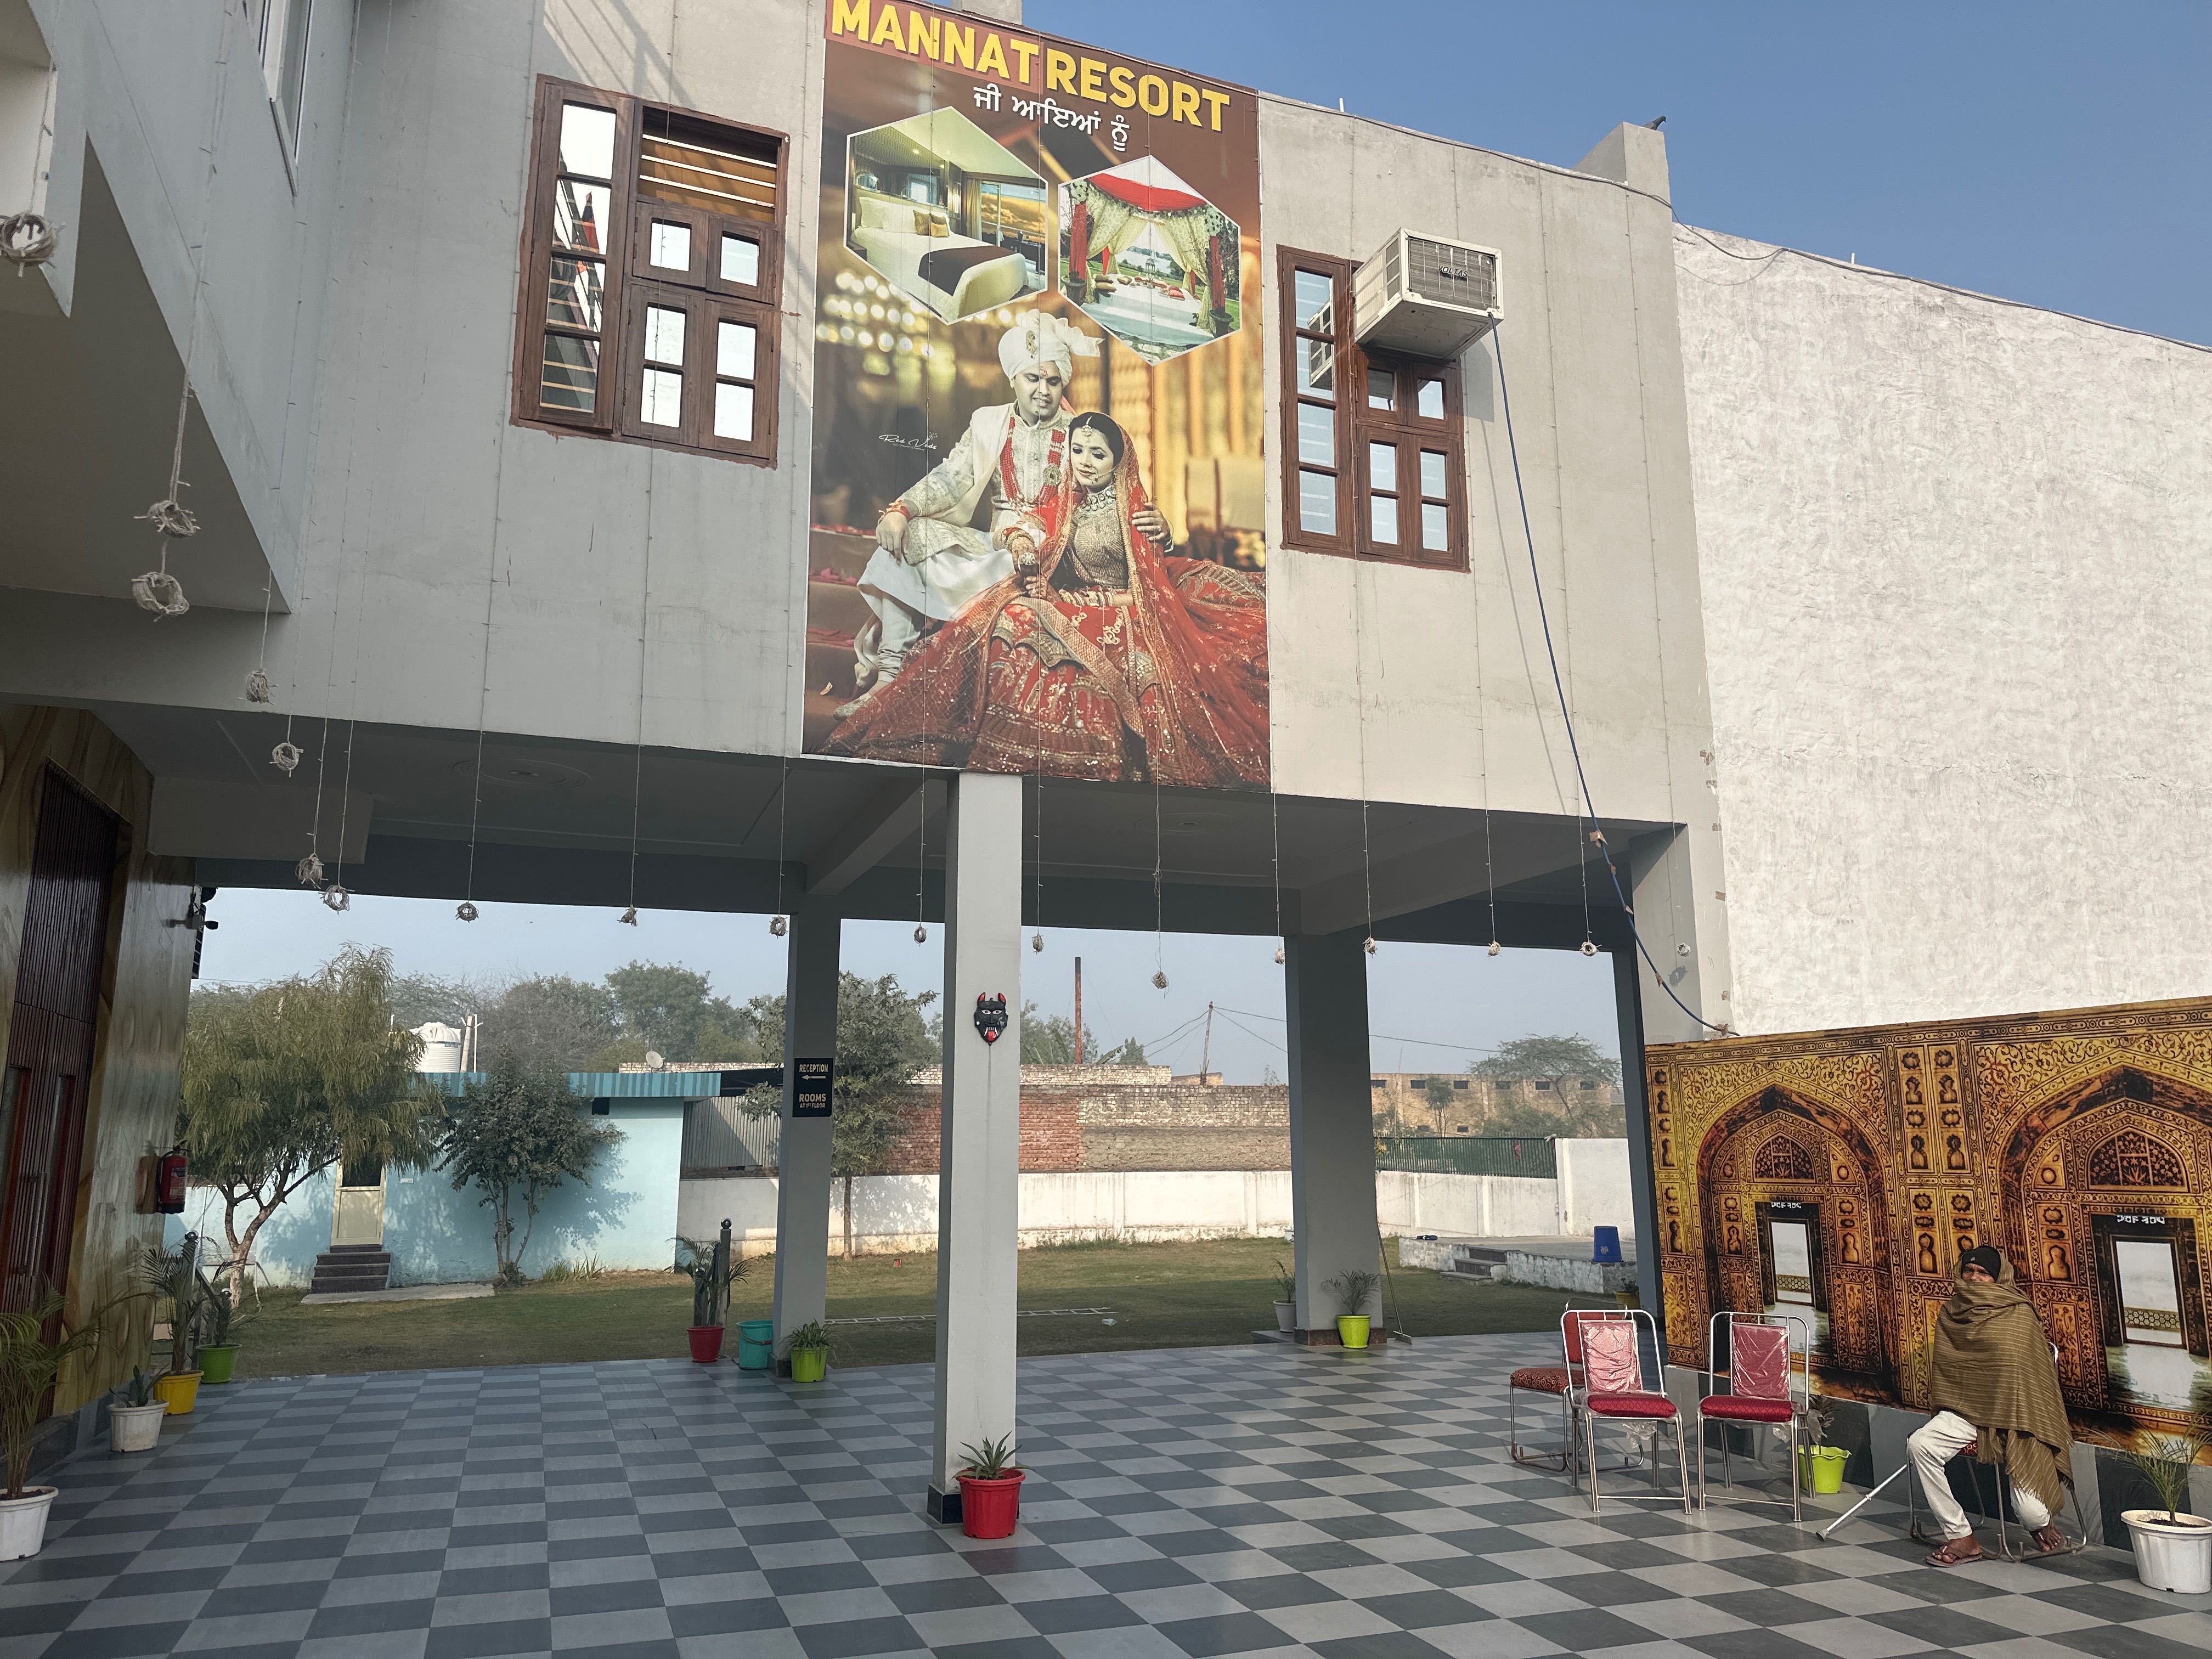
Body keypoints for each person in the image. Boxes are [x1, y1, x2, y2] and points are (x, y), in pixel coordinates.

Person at [823, 411, 1268, 785]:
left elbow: (1146, 594)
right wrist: (1019, 540)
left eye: (1098, 454)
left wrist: (1154, 547)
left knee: (1028, 622)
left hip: (1125, 612)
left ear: (1118, 461)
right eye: (1078, 451)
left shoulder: (1136, 513)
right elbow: (1033, 523)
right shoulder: (1069, 501)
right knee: (1006, 616)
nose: (1085, 462)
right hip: (1071, 602)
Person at [847, 311, 1153, 703]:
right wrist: (901, 511)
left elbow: (1114, 489)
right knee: (909, 539)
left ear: (1063, 383)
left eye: (1053, 381)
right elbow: (950, 478)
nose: (1043, 390)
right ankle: (889, 675)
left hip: (1047, 553)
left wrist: (1155, 521)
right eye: (1033, 378)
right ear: (1013, 378)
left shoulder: (1079, 432)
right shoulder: (989, 423)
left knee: (1017, 561)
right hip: (995, 544)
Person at [1911, 1245, 2070, 1565]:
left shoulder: (2019, 1314)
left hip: (2017, 1416)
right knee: (1920, 1444)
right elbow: (1950, 1370)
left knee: (2031, 1514)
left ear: (1999, 1278)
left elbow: (2029, 1377)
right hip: (1967, 1411)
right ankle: (1961, 1536)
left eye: (1983, 1273)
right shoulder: (1951, 1313)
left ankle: (2040, 1525)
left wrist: (2004, 1406)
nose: (1973, 1278)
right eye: (1968, 1271)